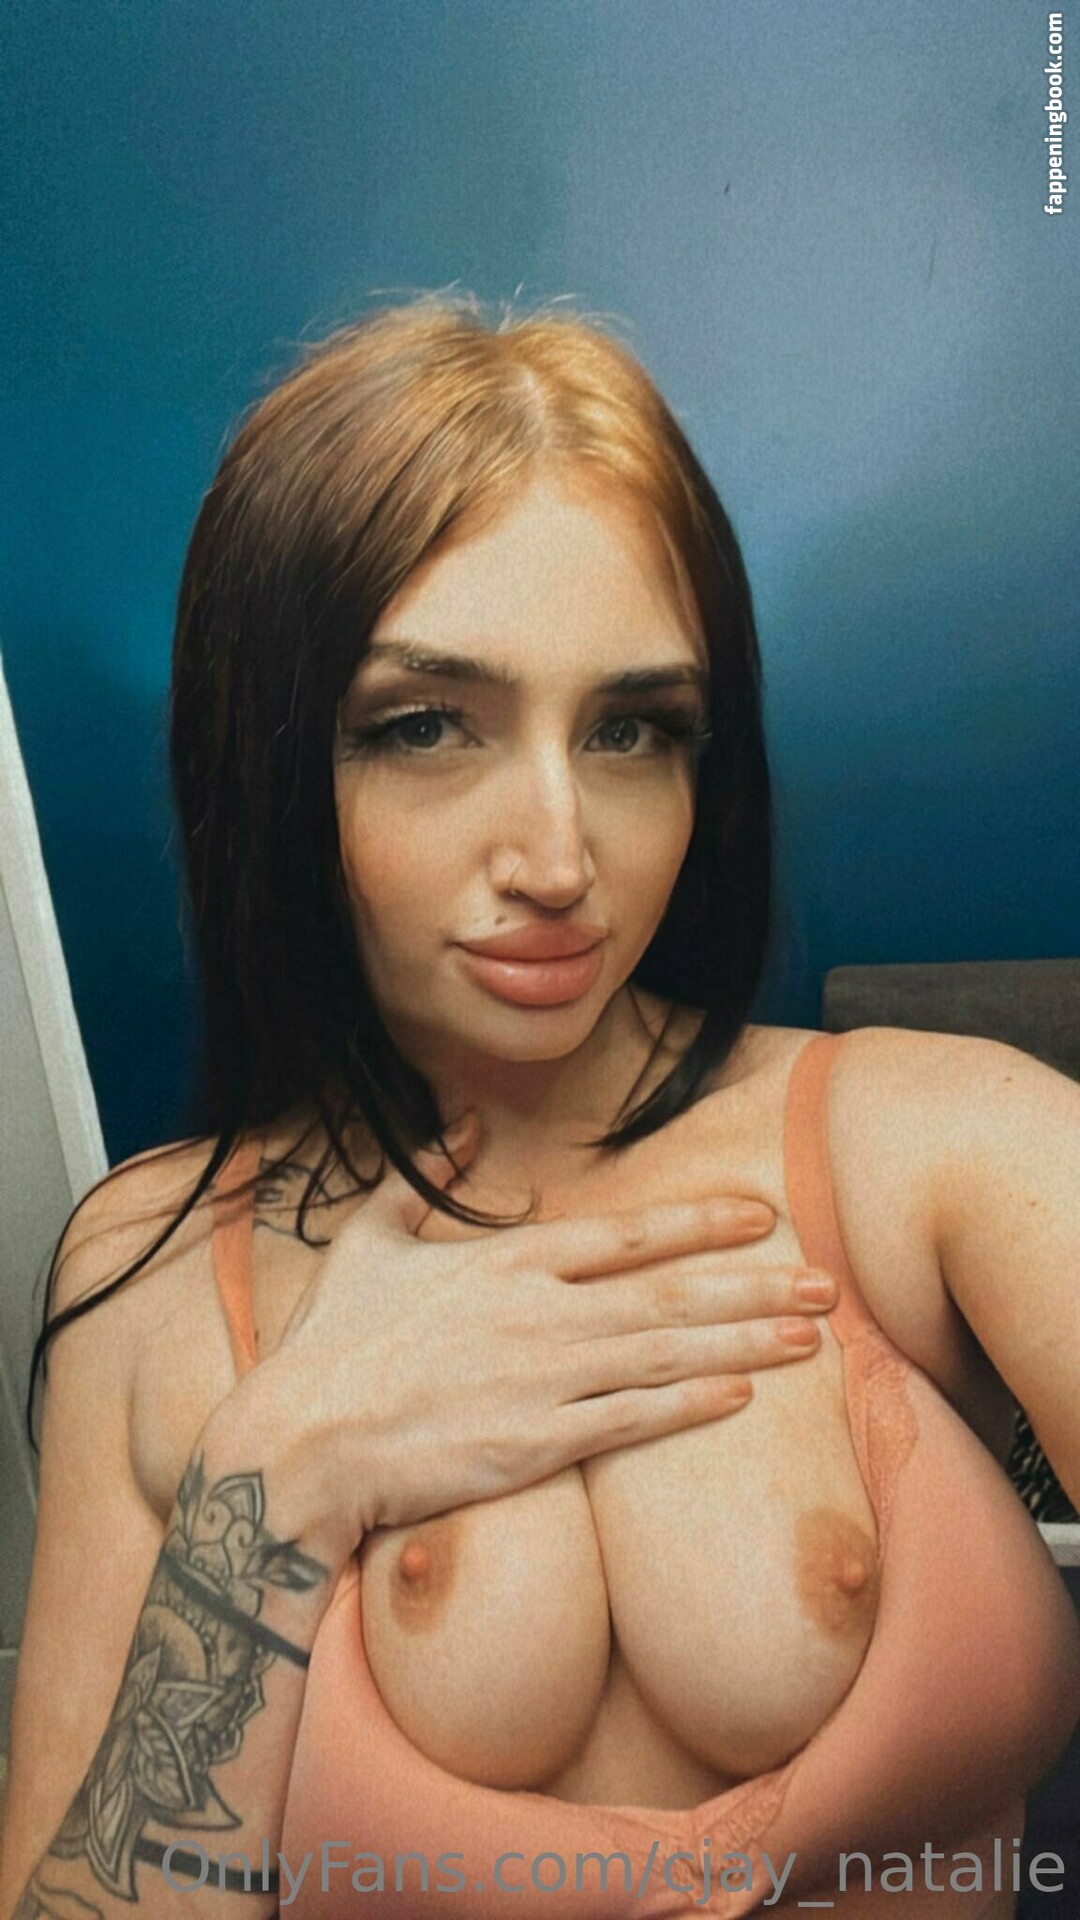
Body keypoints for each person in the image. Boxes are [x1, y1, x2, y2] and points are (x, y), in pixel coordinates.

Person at [2, 291, 1079, 1920]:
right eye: (426, 726)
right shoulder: (147, 1271)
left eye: (633, 728)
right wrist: (280, 1471)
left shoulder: (948, 1150)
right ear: (275, 760)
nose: (563, 858)